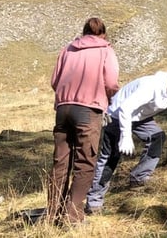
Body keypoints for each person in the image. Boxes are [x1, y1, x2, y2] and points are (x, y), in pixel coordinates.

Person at [85, 68, 167, 214]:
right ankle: (94, 203)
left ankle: (139, 177)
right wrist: (126, 135)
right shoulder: (150, 87)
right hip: (117, 116)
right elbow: (125, 109)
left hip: (140, 118)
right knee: (110, 158)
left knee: (157, 137)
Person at [48, 17, 120, 225]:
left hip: (63, 110)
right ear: (103, 34)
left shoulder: (67, 49)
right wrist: (106, 96)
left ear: (83, 32)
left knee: (60, 163)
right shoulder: (106, 50)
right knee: (85, 163)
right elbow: (112, 82)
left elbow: (55, 81)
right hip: (89, 110)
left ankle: (53, 214)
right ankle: (73, 217)